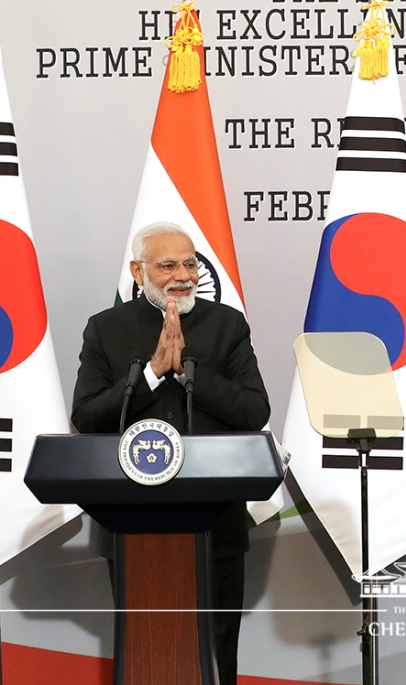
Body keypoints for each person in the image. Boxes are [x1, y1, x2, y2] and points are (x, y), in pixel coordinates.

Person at [72, 221, 270, 685]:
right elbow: (86, 416)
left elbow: (254, 410)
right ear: (137, 271)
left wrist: (188, 373)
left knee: (218, 655)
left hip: (215, 524)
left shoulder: (226, 325)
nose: (183, 275)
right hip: (132, 522)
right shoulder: (106, 329)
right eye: (167, 265)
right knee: (145, 651)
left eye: (189, 263)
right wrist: (151, 374)